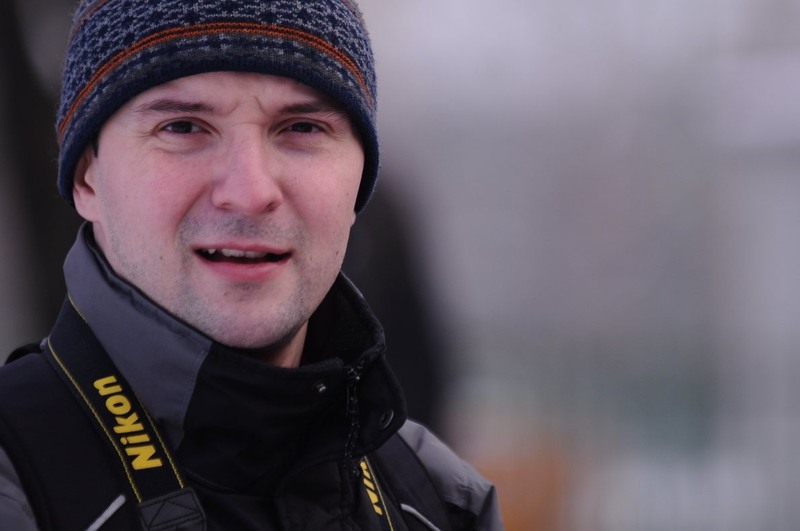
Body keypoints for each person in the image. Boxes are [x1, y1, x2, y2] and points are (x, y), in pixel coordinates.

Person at [0, 0, 503, 530]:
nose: (250, 191)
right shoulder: (16, 481)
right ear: (86, 176)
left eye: (302, 127)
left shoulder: (441, 502)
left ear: (359, 182)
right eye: (183, 127)